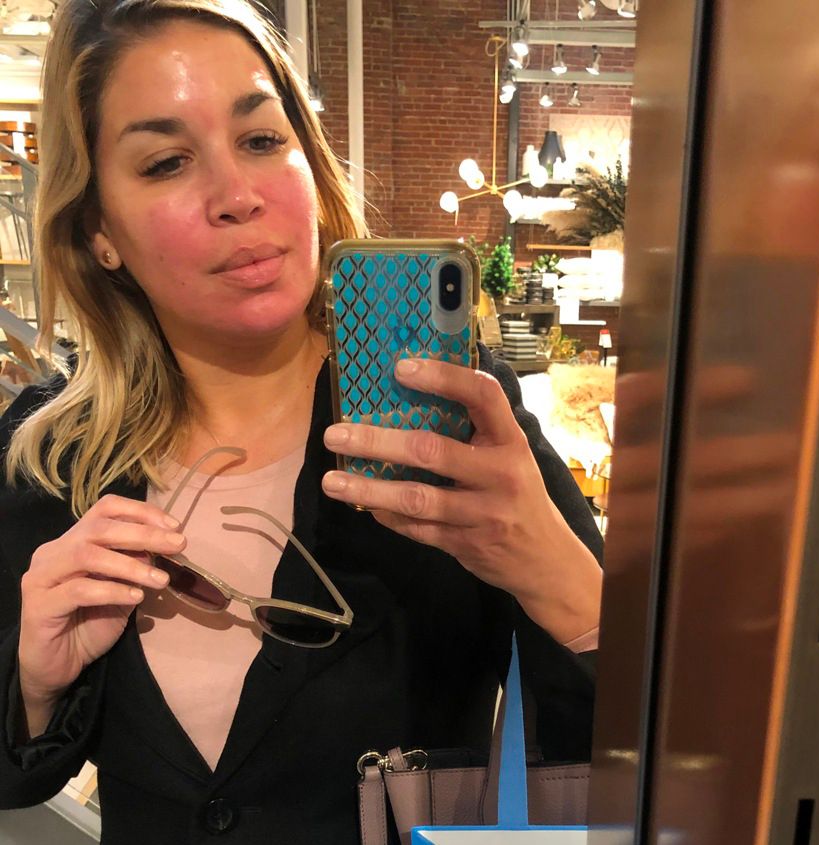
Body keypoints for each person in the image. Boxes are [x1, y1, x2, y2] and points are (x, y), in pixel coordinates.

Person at [0, 0, 603, 841]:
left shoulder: (457, 419)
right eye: (167, 161)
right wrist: (34, 685)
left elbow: (628, 763)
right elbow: (15, 776)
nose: (237, 196)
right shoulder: (51, 453)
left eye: (260, 139)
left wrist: (561, 580)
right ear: (99, 229)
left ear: (310, 166)